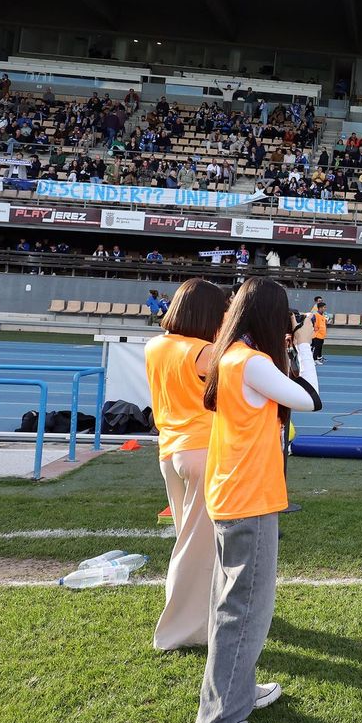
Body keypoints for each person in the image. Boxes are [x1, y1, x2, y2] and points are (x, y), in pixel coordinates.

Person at [190, 278, 323, 723]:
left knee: (235, 605)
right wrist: (305, 348)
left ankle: (237, 692)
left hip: (236, 494)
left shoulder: (234, 356)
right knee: (244, 611)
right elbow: (308, 398)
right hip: (249, 499)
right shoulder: (251, 362)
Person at [144, 279, 227, 651]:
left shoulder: (155, 346)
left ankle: (197, 614)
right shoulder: (204, 352)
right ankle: (183, 630)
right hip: (202, 450)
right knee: (198, 548)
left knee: (187, 541)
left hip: (169, 450)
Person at [309, 297, 328, 364]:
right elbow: (311, 322)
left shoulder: (323, 315)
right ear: (320, 308)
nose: (325, 309)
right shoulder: (315, 315)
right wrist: (314, 328)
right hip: (317, 334)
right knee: (316, 348)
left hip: (322, 335)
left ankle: (316, 358)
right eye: (324, 307)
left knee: (319, 347)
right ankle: (313, 359)